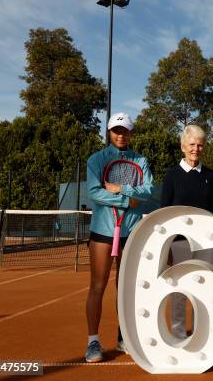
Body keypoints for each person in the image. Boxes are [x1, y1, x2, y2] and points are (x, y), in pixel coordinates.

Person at [84, 113, 153, 363]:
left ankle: (124, 336)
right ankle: (93, 342)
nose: (120, 134)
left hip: (131, 232)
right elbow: (94, 192)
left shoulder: (141, 161)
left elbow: (148, 192)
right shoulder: (96, 160)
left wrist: (122, 188)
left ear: (131, 133)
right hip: (103, 231)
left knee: (125, 288)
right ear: (109, 132)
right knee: (97, 286)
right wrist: (127, 200)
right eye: (116, 130)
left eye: (125, 130)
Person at [160, 124, 213, 339]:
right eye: (192, 144)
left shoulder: (210, 176)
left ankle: (202, 331)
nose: (196, 149)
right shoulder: (172, 175)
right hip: (179, 243)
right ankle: (178, 332)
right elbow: (164, 213)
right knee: (180, 289)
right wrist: (167, 246)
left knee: (203, 288)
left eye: (200, 145)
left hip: (205, 244)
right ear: (183, 146)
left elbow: (211, 212)